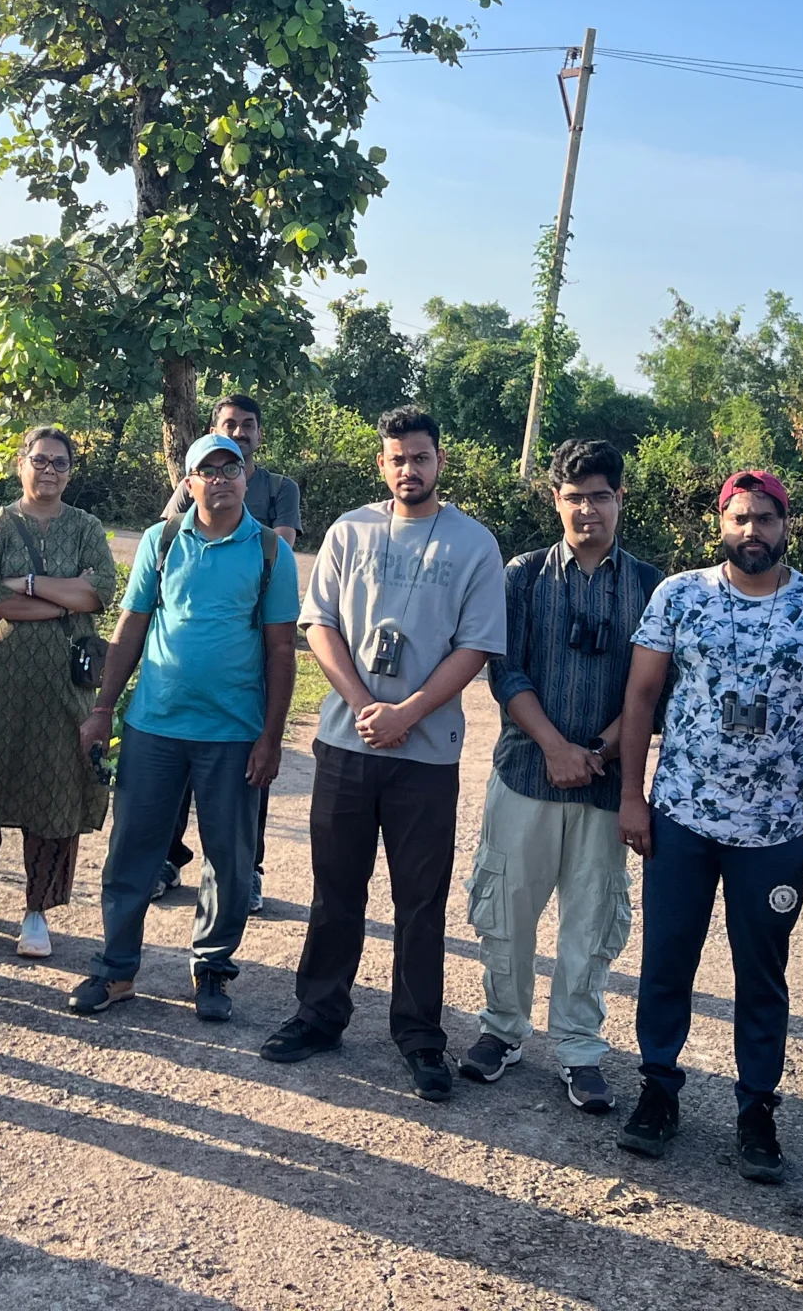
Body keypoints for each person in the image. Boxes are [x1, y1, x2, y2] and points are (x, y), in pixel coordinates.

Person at [614, 467, 803, 1183]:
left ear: (786, 525)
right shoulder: (680, 595)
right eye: (740, 518)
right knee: (667, 960)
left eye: (765, 518)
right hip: (681, 817)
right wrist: (632, 796)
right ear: (720, 524)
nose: (752, 530)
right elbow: (640, 699)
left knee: (763, 976)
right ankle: (658, 1090)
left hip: (775, 831)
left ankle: (757, 1108)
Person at [263, 407, 505, 1102]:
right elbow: (319, 624)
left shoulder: (473, 543)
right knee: (335, 889)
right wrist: (367, 704)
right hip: (348, 741)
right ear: (382, 463)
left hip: (426, 754)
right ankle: (319, 1015)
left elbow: (477, 646)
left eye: (421, 457)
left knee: (420, 902)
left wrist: (409, 713)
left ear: (441, 461)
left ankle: (420, 1037)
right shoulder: (350, 530)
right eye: (398, 458)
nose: (410, 469)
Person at [460, 438, 660, 1113]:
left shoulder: (650, 586)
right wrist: (553, 746)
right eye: (574, 497)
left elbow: (653, 689)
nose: (587, 510)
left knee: (592, 920)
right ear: (555, 500)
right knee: (505, 911)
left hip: (605, 782)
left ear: (620, 499)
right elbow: (505, 670)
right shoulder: (523, 575)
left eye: (600, 496)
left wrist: (596, 751)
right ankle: (502, 1029)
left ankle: (579, 1047)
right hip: (526, 771)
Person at [69, 433, 299, 1020]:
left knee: (230, 858)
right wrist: (103, 709)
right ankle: (116, 970)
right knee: (132, 851)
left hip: (234, 732)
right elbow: (131, 628)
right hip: (155, 726)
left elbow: (281, 651)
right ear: (189, 482)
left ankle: (212, 971)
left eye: (231, 469)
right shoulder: (162, 540)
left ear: (246, 478)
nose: (221, 479)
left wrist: (271, 738)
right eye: (208, 470)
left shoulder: (270, 551)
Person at [0, 426, 117, 960]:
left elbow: (101, 591)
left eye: (60, 463)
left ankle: (37, 913)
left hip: (63, 687)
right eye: (40, 460)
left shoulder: (86, 527)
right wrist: (65, 600)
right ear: (21, 465)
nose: (49, 471)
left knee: (55, 791)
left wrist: (28, 584)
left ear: (70, 471)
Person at [155, 392, 300, 907]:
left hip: (252, 641)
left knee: (249, 765)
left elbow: (279, 548)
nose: (239, 432)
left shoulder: (279, 488)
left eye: (247, 425)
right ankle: (167, 859)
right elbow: (171, 536)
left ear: (259, 434)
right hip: (189, 645)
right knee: (177, 759)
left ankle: (246, 869)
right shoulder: (189, 484)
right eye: (229, 424)